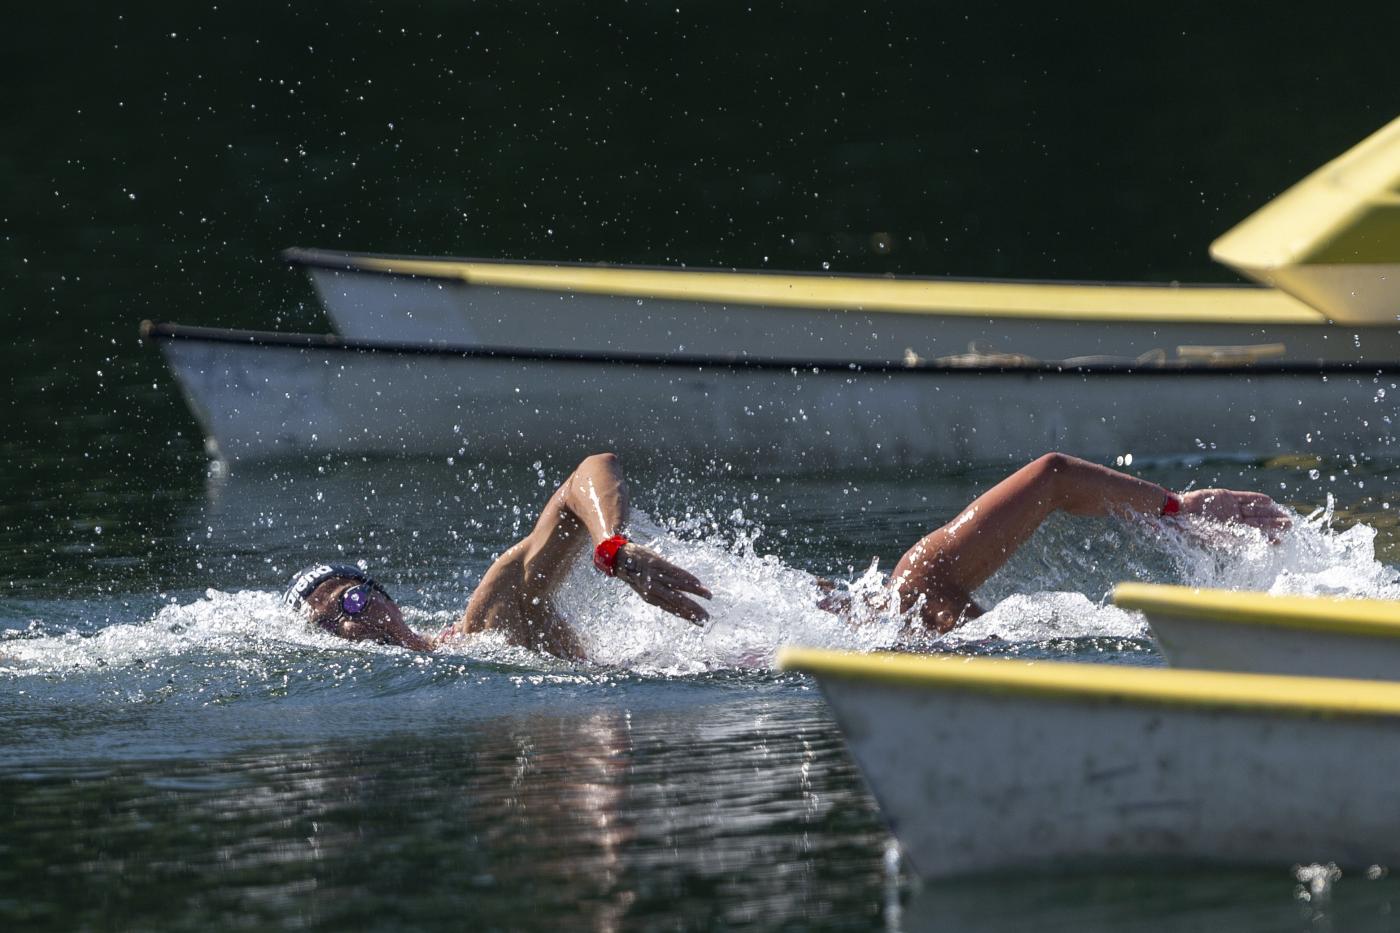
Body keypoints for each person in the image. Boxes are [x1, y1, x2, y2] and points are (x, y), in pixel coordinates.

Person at [282, 452, 1290, 657]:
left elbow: (585, 471)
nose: (348, 614)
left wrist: (614, 548)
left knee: (1046, 475)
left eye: (352, 596)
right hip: (875, 627)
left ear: (383, 595)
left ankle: (1175, 507)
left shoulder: (492, 616)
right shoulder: (475, 663)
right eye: (329, 617)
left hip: (874, 620)